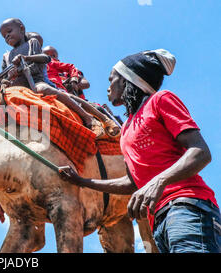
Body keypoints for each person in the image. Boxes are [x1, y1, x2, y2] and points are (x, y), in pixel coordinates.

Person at [59, 49, 221, 253]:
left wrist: (158, 181)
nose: (108, 87)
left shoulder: (161, 100)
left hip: (187, 207)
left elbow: (201, 152)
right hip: (159, 222)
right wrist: (81, 181)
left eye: (112, 80)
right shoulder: (126, 128)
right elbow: (132, 182)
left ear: (128, 79)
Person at [0, 18, 104, 137]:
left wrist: (73, 80)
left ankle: (87, 117)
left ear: (22, 29)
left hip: (35, 81)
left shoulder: (32, 43)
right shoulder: (7, 56)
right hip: (17, 86)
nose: (7, 36)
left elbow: (37, 67)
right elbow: (5, 76)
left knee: (44, 89)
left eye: (9, 31)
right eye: (4, 36)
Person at [42, 45, 120, 136]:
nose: (50, 58)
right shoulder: (43, 67)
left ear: (58, 58)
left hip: (74, 96)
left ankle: (113, 127)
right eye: (46, 55)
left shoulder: (67, 71)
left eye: (53, 55)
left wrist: (73, 83)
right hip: (55, 91)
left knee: (98, 108)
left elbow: (85, 84)